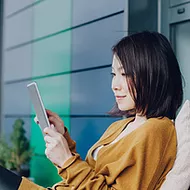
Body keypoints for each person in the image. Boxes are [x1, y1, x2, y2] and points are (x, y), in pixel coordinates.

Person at [3, 31, 183, 190]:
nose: (114, 85)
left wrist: (67, 160)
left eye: (125, 74)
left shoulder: (157, 130)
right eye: (114, 74)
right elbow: (86, 176)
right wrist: (63, 141)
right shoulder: (121, 127)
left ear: (152, 74)